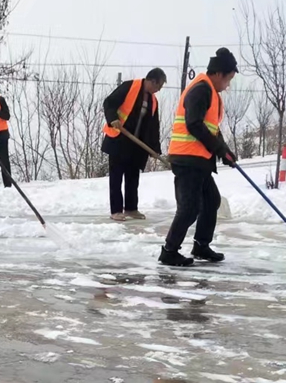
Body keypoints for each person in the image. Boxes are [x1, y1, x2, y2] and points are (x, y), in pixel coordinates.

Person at [159, 49, 239, 266]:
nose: (228, 85)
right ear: (219, 74)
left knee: (211, 201)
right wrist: (218, 149)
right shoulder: (201, 89)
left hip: (198, 159)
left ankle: (201, 246)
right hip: (187, 158)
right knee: (189, 208)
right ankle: (169, 251)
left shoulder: (209, 91)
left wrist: (225, 151)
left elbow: (211, 129)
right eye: (228, 79)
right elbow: (193, 124)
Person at [102, 68, 165, 221]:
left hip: (137, 145)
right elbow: (109, 102)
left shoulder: (153, 102)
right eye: (159, 86)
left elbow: (153, 127)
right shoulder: (129, 86)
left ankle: (131, 208)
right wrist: (113, 118)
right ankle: (116, 210)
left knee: (133, 177)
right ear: (152, 81)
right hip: (120, 139)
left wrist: (155, 149)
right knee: (116, 177)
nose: (159, 90)